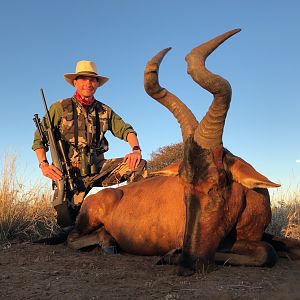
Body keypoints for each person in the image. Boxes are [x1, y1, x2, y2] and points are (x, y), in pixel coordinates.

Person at [32, 60, 147, 228]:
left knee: (138, 166)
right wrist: (44, 164)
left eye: (92, 80)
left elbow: (127, 130)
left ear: (97, 84)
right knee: (69, 227)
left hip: (99, 168)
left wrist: (135, 150)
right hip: (71, 174)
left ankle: (135, 222)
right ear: (75, 82)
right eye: (83, 79)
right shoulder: (59, 107)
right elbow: (39, 140)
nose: (88, 83)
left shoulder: (105, 110)